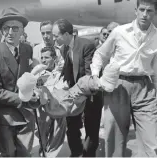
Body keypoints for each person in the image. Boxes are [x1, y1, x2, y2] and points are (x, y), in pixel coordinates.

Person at [91, 0, 157, 156]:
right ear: (135, 10)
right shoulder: (120, 32)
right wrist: (95, 75)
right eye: (142, 9)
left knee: (151, 142)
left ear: (156, 12)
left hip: (145, 88)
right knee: (115, 138)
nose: (145, 14)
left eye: (150, 11)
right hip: (119, 86)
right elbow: (100, 54)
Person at [0, 7, 39, 157]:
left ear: (22, 31)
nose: (10, 32)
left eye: (15, 28)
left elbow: (28, 78)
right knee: (8, 154)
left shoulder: (27, 49)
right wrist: (22, 98)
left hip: (26, 114)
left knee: (25, 154)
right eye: (6, 28)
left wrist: (37, 89)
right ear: (1, 31)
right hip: (5, 117)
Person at [52, 19, 101, 157]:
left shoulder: (86, 45)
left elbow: (89, 75)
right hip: (74, 96)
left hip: (90, 96)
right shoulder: (65, 48)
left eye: (56, 36)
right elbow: (67, 72)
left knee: (91, 132)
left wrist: (77, 93)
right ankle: (76, 152)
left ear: (67, 34)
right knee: (72, 128)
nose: (54, 39)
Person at [36, 46, 67, 157]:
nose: (43, 60)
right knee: (42, 136)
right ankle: (43, 152)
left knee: (57, 137)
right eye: (42, 57)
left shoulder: (61, 73)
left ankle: (50, 155)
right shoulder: (37, 74)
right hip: (43, 111)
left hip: (58, 109)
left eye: (47, 57)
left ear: (54, 58)